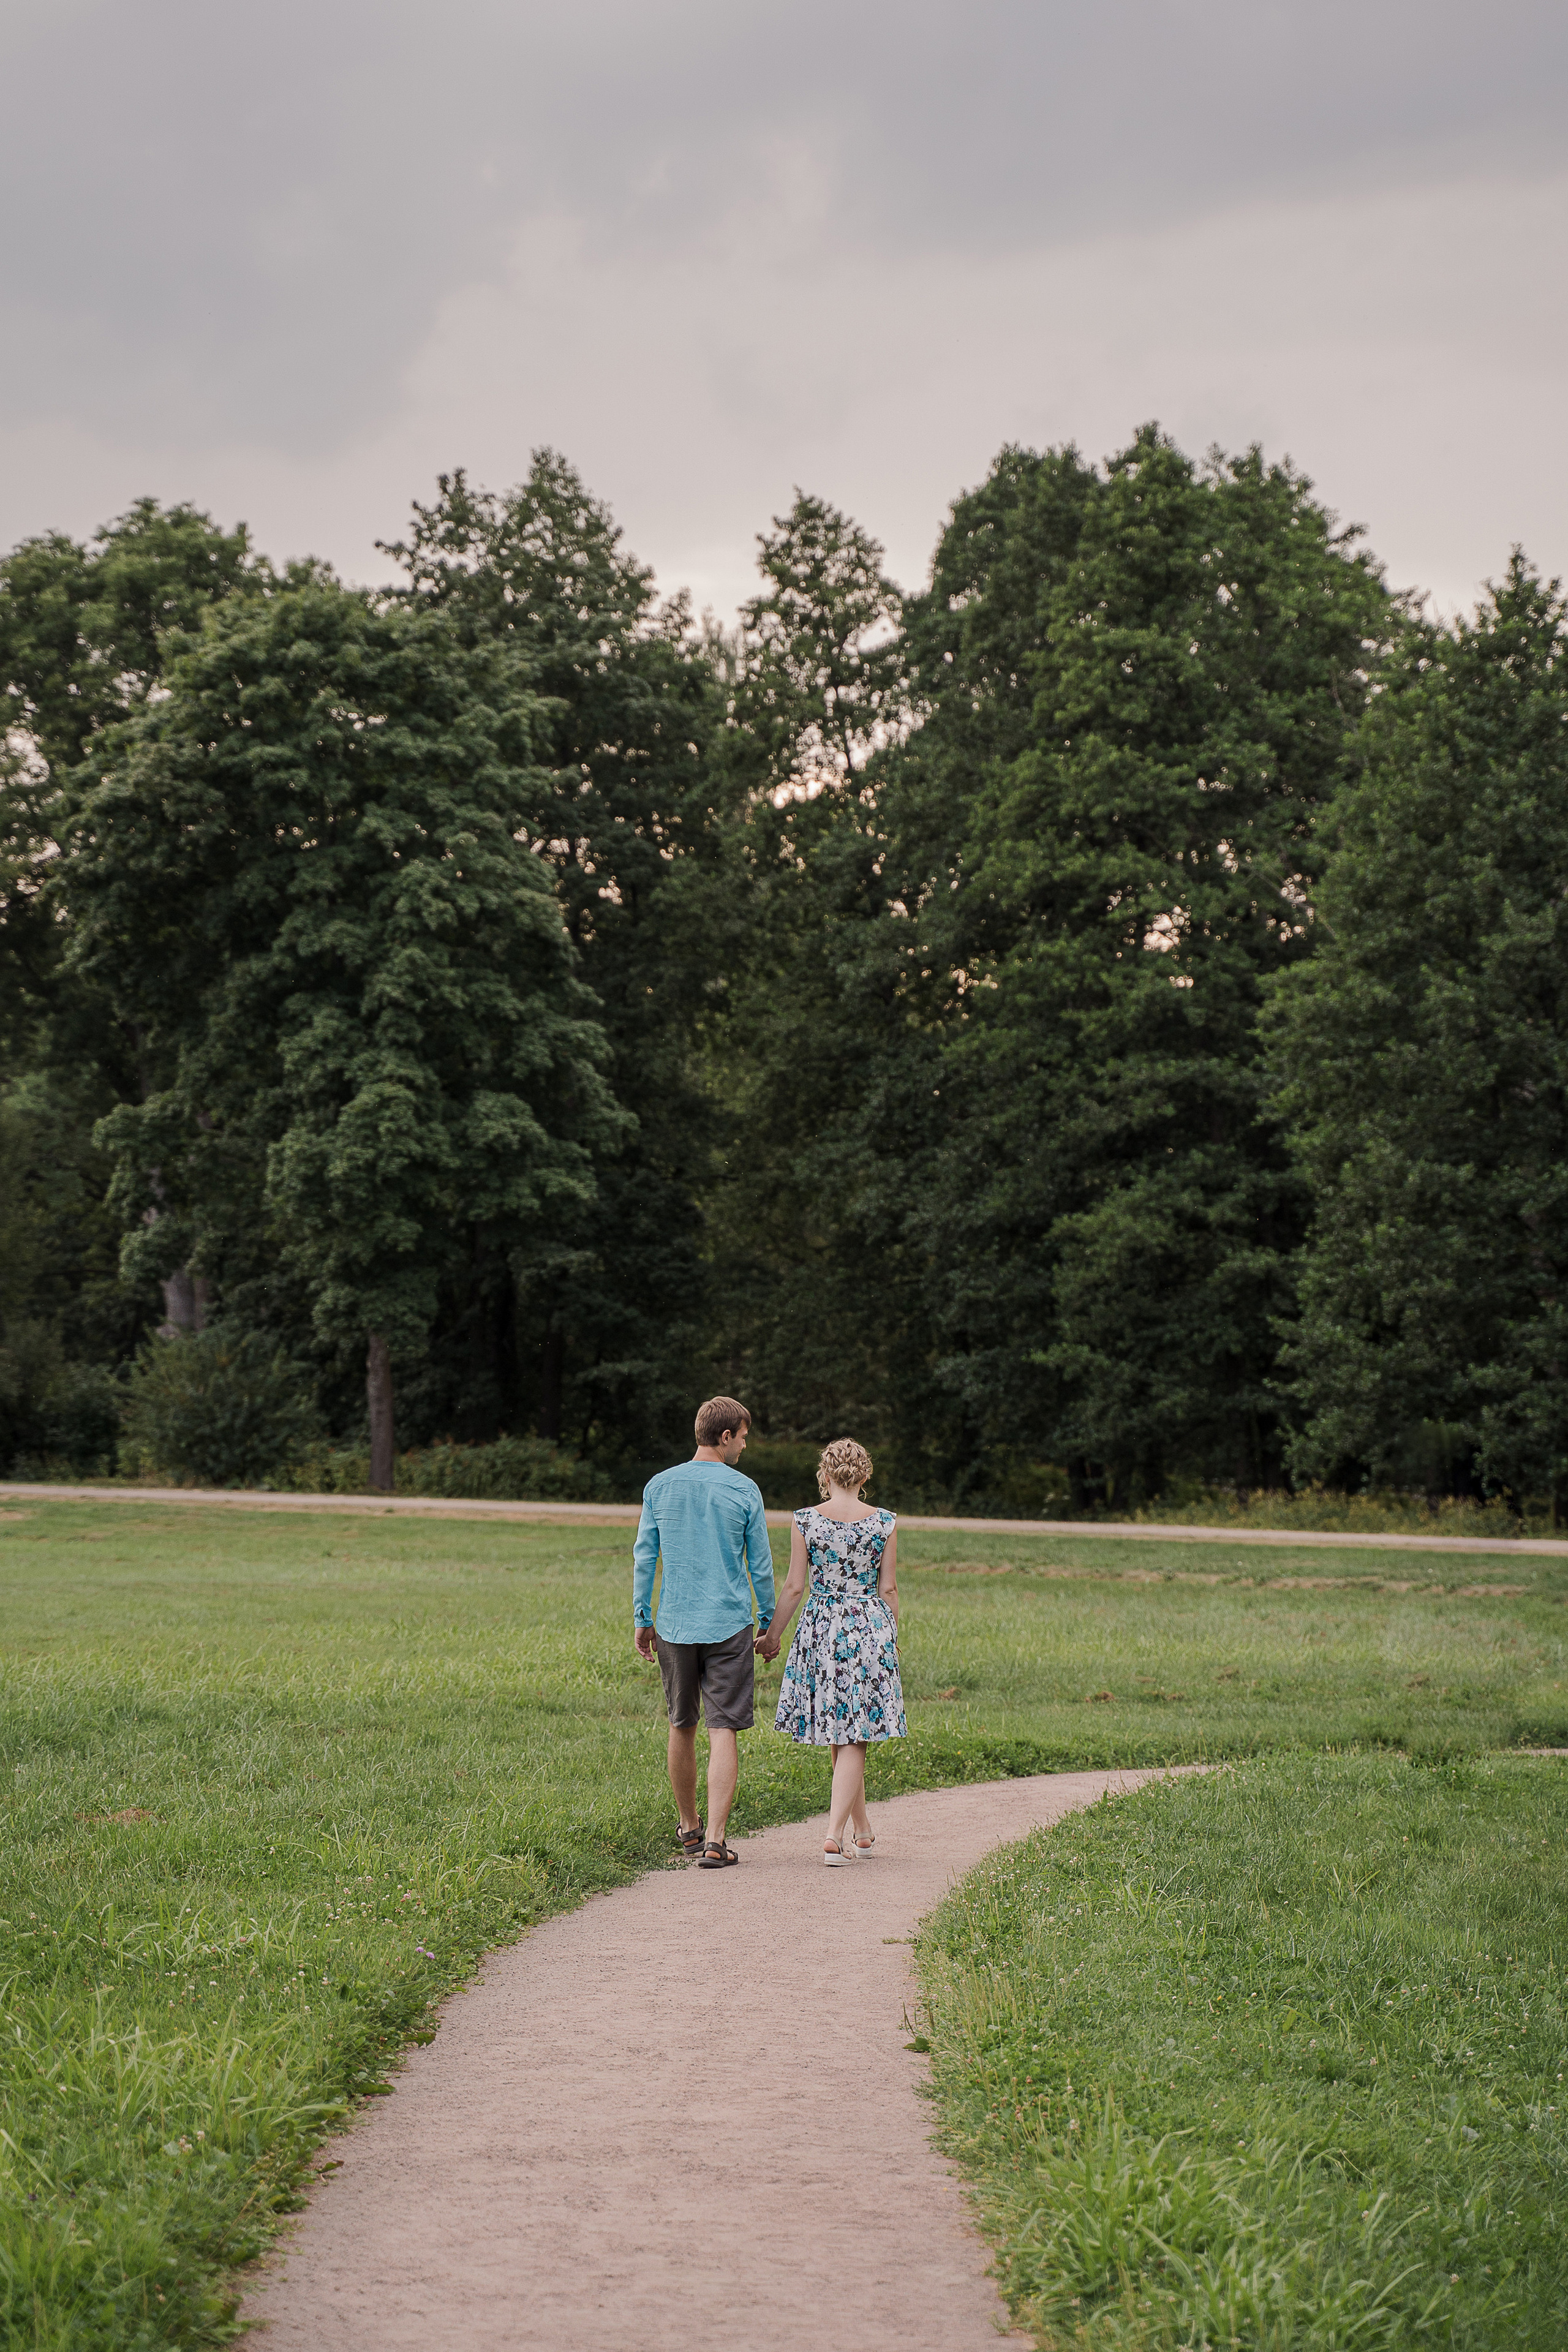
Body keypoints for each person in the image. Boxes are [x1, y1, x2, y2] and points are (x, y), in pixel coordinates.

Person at [633, 1395, 777, 1869]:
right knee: (723, 1728)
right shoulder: (744, 1490)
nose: (744, 1446)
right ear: (725, 1436)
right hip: (728, 1624)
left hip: (675, 1623)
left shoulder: (659, 1486)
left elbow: (645, 1556)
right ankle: (716, 1840)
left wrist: (642, 1617)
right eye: (743, 1437)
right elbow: (759, 1564)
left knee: (681, 1723)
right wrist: (768, 1620)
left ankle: (690, 1827)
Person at [758, 1435, 905, 1865]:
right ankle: (834, 1835)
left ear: (825, 1474)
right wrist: (892, 1635)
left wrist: (772, 1636)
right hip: (868, 1625)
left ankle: (863, 1831)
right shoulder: (885, 1523)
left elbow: (794, 1586)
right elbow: (889, 1588)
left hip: (822, 1627)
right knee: (855, 1732)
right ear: (865, 1475)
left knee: (843, 1729)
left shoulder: (806, 1520)